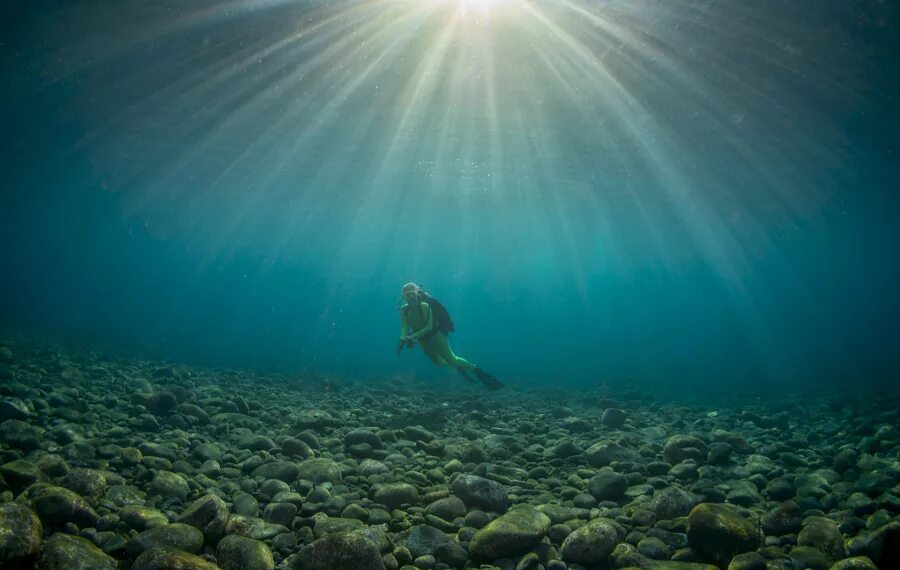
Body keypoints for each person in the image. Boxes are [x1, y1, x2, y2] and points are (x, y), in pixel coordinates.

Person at [396, 282, 503, 390]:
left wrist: (412, 336)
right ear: (403, 296)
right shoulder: (404, 310)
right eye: (407, 295)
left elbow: (428, 327)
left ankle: (478, 372)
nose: (410, 297)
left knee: (452, 359)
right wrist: (402, 338)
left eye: (412, 294)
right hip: (423, 341)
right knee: (438, 362)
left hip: (436, 336)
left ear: (417, 293)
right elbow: (404, 327)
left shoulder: (424, 306)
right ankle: (458, 366)